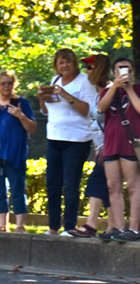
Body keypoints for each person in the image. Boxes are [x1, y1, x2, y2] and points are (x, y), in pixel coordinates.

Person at [39, 48, 97, 235]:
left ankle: (70, 227)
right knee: (52, 184)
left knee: (71, 184)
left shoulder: (84, 82)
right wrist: (42, 98)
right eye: (60, 62)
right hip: (54, 137)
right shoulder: (54, 81)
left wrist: (66, 95)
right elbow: (47, 111)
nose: (64, 66)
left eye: (67, 62)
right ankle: (53, 226)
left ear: (74, 64)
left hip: (77, 139)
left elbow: (88, 110)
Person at [0, 70, 37, 233]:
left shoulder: (22, 103)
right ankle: (3, 224)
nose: (6, 86)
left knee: (17, 188)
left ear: (14, 84)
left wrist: (21, 116)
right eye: (3, 83)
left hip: (14, 153)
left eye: (9, 83)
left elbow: (32, 128)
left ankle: (20, 225)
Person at [96, 57, 140, 241]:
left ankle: (134, 228)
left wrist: (129, 89)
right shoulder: (108, 91)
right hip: (111, 144)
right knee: (113, 187)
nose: (124, 73)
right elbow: (101, 108)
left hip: (131, 143)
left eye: (128, 70)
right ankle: (119, 228)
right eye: (120, 70)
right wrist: (114, 87)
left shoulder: (137, 90)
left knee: (132, 186)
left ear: (133, 73)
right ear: (114, 73)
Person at [67, 55, 111, 238]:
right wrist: (97, 148)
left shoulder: (110, 91)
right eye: (85, 67)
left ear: (100, 69)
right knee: (108, 187)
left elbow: (111, 124)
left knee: (96, 182)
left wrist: (105, 147)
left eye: (90, 67)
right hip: (102, 148)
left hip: (111, 148)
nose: (86, 71)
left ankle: (91, 225)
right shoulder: (96, 92)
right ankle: (114, 227)